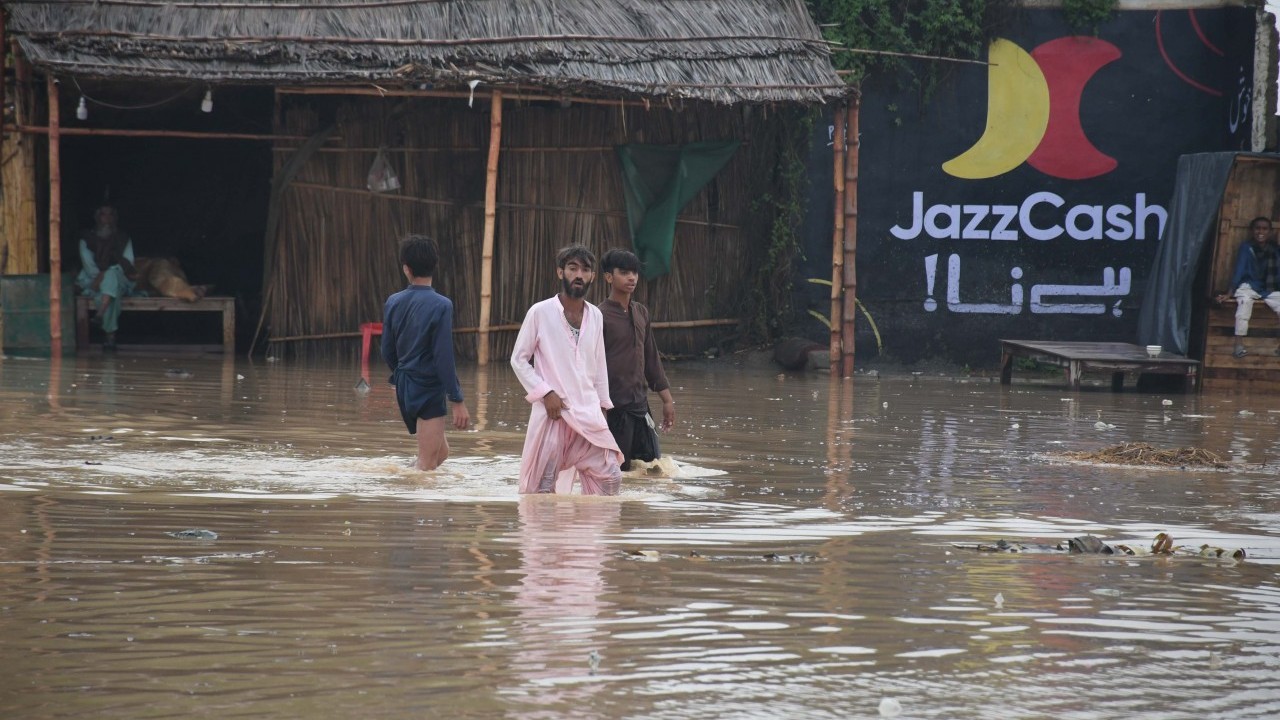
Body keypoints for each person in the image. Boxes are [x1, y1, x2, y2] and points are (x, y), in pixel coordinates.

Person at [510, 245, 623, 495]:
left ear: (593, 276)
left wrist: (603, 406)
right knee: (542, 487)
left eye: (585, 270)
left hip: (588, 413)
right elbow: (518, 360)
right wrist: (545, 393)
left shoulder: (595, 315)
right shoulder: (540, 312)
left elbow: (599, 364)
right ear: (560, 272)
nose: (579, 275)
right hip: (554, 414)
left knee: (611, 479)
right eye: (573, 268)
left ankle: (586, 532)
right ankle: (547, 534)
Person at [382, 235, 470, 470]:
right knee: (428, 464)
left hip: (405, 385)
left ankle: (398, 476)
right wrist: (457, 399)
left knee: (441, 453)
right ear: (434, 266)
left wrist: (401, 377)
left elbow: (387, 349)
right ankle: (410, 501)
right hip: (428, 387)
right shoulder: (441, 305)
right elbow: (443, 357)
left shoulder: (393, 301)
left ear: (406, 269)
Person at [599, 248, 675, 471]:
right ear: (608, 277)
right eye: (624, 272)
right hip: (613, 410)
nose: (632, 278)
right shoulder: (598, 316)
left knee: (653, 468)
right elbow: (587, 367)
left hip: (641, 408)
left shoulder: (641, 312)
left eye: (635, 272)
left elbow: (652, 359)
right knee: (615, 471)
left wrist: (668, 401)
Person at [76, 204, 139, 350]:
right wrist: (102, 275)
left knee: (112, 278)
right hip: (93, 281)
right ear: (98, 217)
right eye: (104, 215)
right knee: (112, 291)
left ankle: (101, 314)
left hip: (120, 278)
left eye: (111, 215)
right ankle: (110, 337)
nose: (107, 219)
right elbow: (89, 267)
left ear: (115, 218)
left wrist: (108, 273)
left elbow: (128, 263)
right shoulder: (87, 239)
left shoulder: (123, 238)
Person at [1216, 216, 1280, 358]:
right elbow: (1239, 269)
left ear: (1270, 232)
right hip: (1249, 285)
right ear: (1252, 231)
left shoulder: (1274, 249)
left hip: (1268, 288)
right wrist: (1229, 293)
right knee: (1243, 305)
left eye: (1264, 229)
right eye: (1257, 228)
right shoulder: (1247, 247)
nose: (1260, 232)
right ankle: (1239, 344)